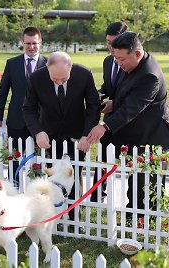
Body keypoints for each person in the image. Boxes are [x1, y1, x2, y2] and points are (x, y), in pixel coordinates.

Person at [87, 32, 169, 221]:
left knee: (146, 185)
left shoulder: (149, 75)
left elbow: (133, 108)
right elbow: (124, 95)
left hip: (153, 135)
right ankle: (132, 216)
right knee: (134, 179)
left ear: (136, 54)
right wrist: (113, 104)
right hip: (135, 133)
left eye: (121, 59)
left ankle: (145, 222)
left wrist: (104, 126)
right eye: (115, 58)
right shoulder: (130, 65)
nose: (118, 63)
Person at [23, 51, 100, 221]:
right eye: (54, 79)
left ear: (70, 68)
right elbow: (28, 108)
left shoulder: (84, 75)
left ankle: (74, 220)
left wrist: (86, 135)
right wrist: (37, 132)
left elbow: (93, 106)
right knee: (51, 177)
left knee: (74, 174)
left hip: (77, 137)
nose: (59, 82)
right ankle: (51, 218)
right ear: (47, 69)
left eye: (63, 79)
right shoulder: (36, 78)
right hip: (49, 137)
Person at [0, 27, 47, 187]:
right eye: (28, 43)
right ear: (22, 43)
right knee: (14, 159)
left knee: (39, 159)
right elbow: (3, 91)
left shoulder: (48, 63)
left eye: (34, 43)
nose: (31, 47)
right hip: (16, 119)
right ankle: (14, 189)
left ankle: (37, 191)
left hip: (40, 121)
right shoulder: (12, 63)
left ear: (40, 42)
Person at [90, 21, 129, 202]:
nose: (111, 47)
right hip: (109, 119)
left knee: (131, 162)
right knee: (103, 158)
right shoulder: (107, 61)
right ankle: (98, 193)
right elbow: (108, 86)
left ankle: (133, 200)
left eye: (115, 42)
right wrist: (98, 94)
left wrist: (116, 103)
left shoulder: (131, 62)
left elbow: (132, 93)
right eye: (108, 42)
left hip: (129, 119)